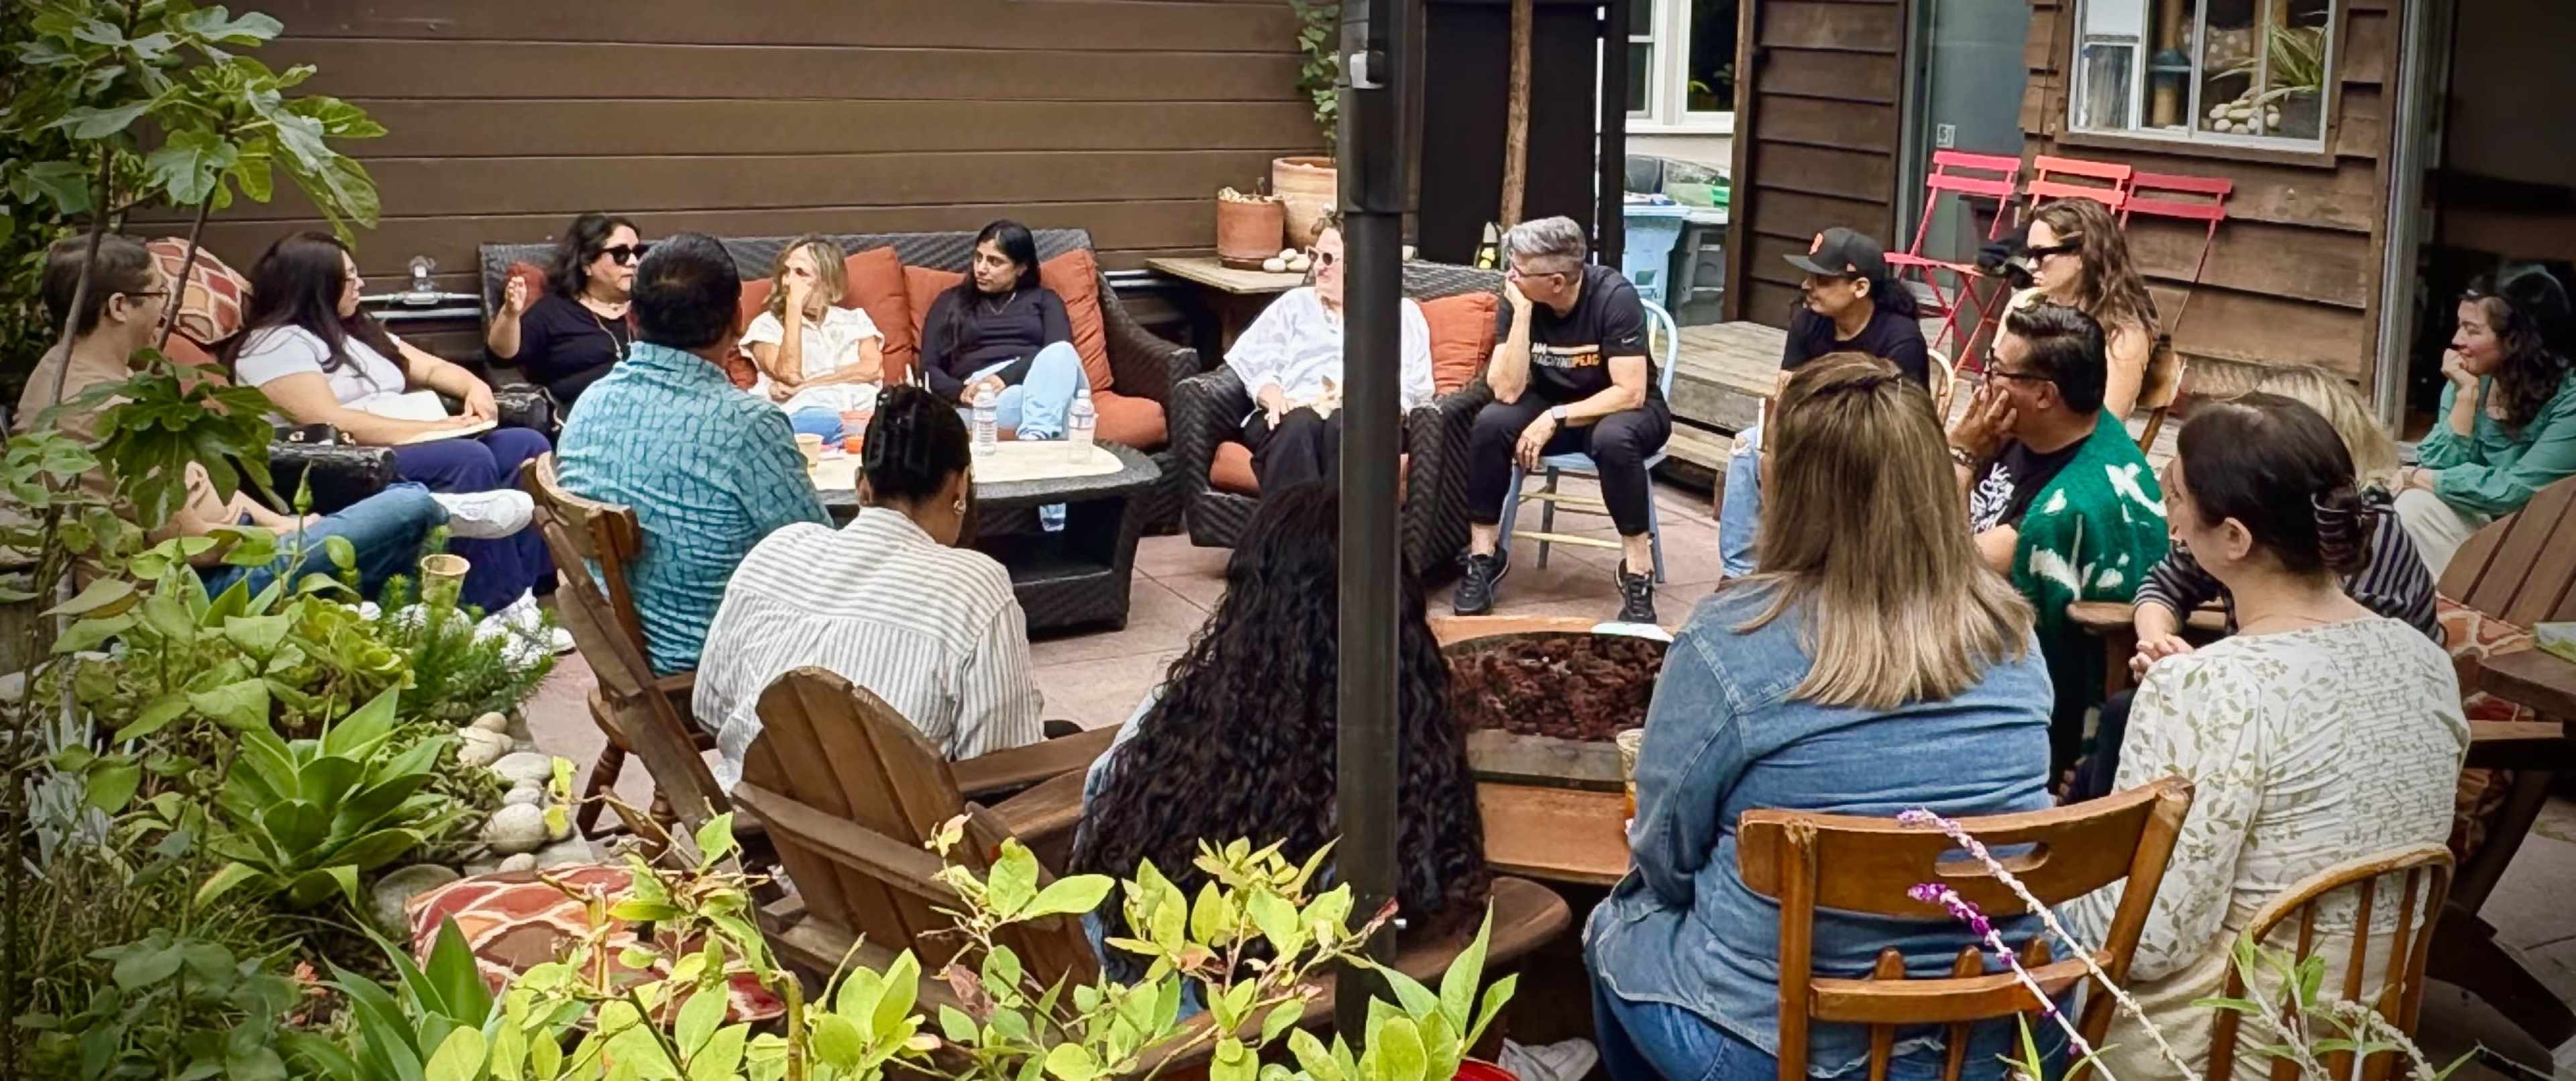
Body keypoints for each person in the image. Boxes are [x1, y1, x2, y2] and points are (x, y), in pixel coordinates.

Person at [1588, 355, 2059, 1081]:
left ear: (1790, 486)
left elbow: (1664, 856)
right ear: (1935, 481)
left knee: (1611, 928)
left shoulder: (1729, 642)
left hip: (1779, 1045)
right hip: (2000, 1033)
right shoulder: (2015, 636)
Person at [2067, 394, 2467, 1081]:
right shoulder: (2424, 660)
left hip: (2221, 1042)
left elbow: (2149, 940)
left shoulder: (2208, 689)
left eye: (2178, 497)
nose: (2170, 517)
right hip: (2366, 1036)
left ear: (2235, 540)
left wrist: (2049, 893)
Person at [1071, 482, 1490, 975]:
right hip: (1265, 1038)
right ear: (1395, 608)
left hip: (1139, 1019)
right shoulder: (1389, 775)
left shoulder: (1172, 721)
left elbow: (1093, 876)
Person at [19, 235, 531, 598]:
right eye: (158, 295)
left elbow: (212, 489)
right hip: (213, 584)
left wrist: (288, 521)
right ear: (118, 307)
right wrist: (287, 537)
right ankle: (438, 516)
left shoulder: (79, 375)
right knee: (402, 508)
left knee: (409, 507)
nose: (167, 309)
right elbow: (190, 545)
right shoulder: (104, 407)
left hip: (243, 537)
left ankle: (450, 536)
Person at [2072, 365, 2441, 799]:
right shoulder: (2424, 662)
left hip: (2327, 744)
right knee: (2120, 724)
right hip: (2269, 724)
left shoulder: (2366, 544)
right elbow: (2167, 582)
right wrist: (2165, 653)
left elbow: (2336, 692)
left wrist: (2192, 687)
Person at [700, 384, 1042, 787]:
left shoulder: (778, 549)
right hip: (898, 842)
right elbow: (1002, 767)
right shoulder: (976, 586)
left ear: (862, 485)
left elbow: (708, 708)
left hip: (757, 820)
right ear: (960, 488)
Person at [225, 232, 557, 620]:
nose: (361, 284)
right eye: (349, 278)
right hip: (349, 464)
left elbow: (429, 367)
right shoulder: (274, 347)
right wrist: (437, 431)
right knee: (467, 458)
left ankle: (532, 595)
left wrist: (475, 387)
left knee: (523, 445)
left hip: (412, 440)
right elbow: (333, 420)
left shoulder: (351, 331)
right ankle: (489, 606)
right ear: (314, 285)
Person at [556, 233, 829, 676]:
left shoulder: (591, 403)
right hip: (718, 667)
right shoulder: (747, 424)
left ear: (633, 319)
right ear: (738, 318)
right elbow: (821, 561)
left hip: (623, 658)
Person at [1946, 301, 2167, 774]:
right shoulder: (2015, 431)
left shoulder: (2071, 504)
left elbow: (1935, 562)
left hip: (2011, 696)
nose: (1983, 383)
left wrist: (1960, 455)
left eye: (1996, 370)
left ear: (2044, 394)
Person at [1454, 215, 1672, 624]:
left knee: (1613, 440)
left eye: (1519, 269)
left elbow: (1630, 391)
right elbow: (1506, 390)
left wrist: (1556, 416)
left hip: (1622, 410)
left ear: (1557, 281)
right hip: (1551, 406)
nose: (1510, 275)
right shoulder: (1519, 296)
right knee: (1490, 422)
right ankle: (1484, 556)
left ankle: (1637, 572)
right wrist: (1521, 316)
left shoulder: (1613, 297)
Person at [1717, 227, 1929, 576]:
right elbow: (1787, 393)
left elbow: (1898, 425)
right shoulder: (1809, 321)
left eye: (1822, 279)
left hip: (1876, 446)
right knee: (1747, 448)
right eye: (1808, 275)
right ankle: (1739, 574)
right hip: (1813, 430)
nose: (1806, 286)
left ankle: (1795, 563)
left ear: (1860, 288)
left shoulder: (1900, 339)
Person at [1223, 213, 1436, 490]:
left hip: (1365, 420)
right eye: (1315, 255)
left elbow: (1413, 388)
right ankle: (1299, 532)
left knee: (1345, 425)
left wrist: (1371, 407)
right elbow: (1256, 363)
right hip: (1293, 413)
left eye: (1328, 259)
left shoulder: (1400, 315)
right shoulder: (1294, 305)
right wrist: (1271, 393)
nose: (1318, 268)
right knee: (1300, 426)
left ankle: (1323, 531)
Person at [2394, 268, 2576, 576]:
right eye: (2459, 326)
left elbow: (2519, 491)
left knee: (2414, 505)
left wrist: (2420, 478)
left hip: (2542, 549)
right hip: (2483, 531)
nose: (2456, 340)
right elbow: (2437, 467)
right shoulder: (2469, 379)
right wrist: (2466, 395)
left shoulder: (2569, 401)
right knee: (2409, 506)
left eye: (2472, 330)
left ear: (2517, 340)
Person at [918, 219, 1086, 439]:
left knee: (1061, 353)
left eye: (995, 262)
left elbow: (1058, 351)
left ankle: (1035, 437)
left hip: (1041, 381)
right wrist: (961, 392)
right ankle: (1038, 440)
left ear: (1021, 268)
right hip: (985, 397)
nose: (981, 268)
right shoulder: (950, 301)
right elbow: (928, 368)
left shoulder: (1045, 300)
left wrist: (1005, 377)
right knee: (1020, 399)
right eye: (979, 258)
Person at [2018, 198, 2159, 419]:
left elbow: (2106, 427)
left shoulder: (2121, 336)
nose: (2030, 265)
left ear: (2084, 255)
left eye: (2042, 254)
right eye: (2029, 255)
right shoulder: (2025, 304)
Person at [484, 212, 643, 409]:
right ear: (587, 264)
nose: (633, 261)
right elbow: (501, 356)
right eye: (621, 254)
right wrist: (510, 314)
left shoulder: (653, 307)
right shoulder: (553, 312)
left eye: (638, 252)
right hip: (584, 416)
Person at [742, 235, 885, 444]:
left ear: (828, 282)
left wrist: (808, 384)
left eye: (801, 273)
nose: (788, 282)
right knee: (825, 423)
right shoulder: (767, 326)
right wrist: (794, 306)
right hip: (809, 417)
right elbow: (790, 376)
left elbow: (873, 369)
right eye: (786, 272)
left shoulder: (855, 320)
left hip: (864, 411)